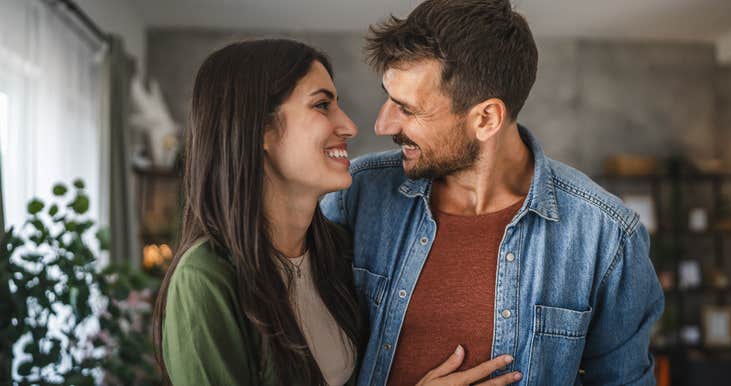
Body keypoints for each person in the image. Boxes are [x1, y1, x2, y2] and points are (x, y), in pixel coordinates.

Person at [320, 0, 665, 385]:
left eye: (407, 109)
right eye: (388, 97)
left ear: (486, 118)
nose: (383, 124)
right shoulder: (355, 194)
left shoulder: (606, 236)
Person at [152, 39, 363, 386]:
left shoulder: (338, 251)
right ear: (261, 129)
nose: (350, 127)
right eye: (322, 105)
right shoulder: (205, 277)